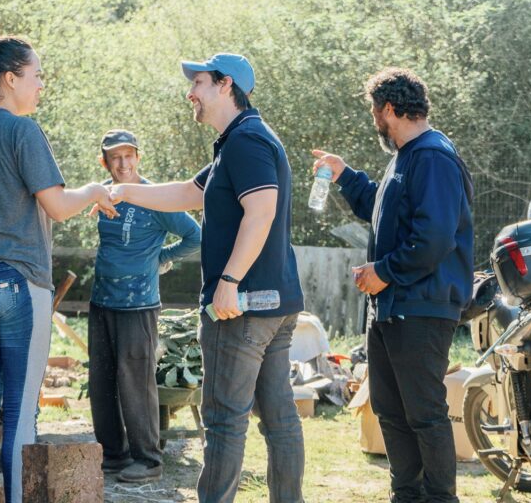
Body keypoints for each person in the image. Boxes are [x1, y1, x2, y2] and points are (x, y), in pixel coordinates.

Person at [110, 53, 306, 503]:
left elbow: (261, 213)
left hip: (242, 307)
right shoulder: (236, 141)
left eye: (197, 83)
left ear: (224, 86)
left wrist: (230, 280)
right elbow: (187, 193)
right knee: (278, 419)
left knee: (222, 420)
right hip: (272, 306)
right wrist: (121, 190)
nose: (190, 93)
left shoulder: (248, 142)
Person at [0, 36, 116, 503]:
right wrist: (95, 190)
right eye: (36, 75)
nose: (41, 85)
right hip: (19, 284)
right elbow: (58, 207)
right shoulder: (23, 132)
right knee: (20, 413)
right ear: (11, 79)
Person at [312, 67, 474, 503]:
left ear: (388, 109)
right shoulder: (404, 157)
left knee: (424, 414)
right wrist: (345, 174)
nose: (374, 120)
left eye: (374, 111)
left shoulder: (434, 156)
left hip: (422, 306)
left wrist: (384, 270)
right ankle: (406, 495)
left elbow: (435, 236)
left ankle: (441, 499)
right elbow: (380, 208)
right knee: (391, 410)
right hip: (390, 309)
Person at [88, 129, 201, 483]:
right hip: (101, 300)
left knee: (135, 382)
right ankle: (113, 455)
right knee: (102, 382)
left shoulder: (156, 198)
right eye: (114, 157)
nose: (122, 163)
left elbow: (196, 235)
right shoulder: (103, 194)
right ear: (104, 162)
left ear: (138, 157)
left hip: (138, 305)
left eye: (128, 156)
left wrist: (161, 258)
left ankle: (149, 460)